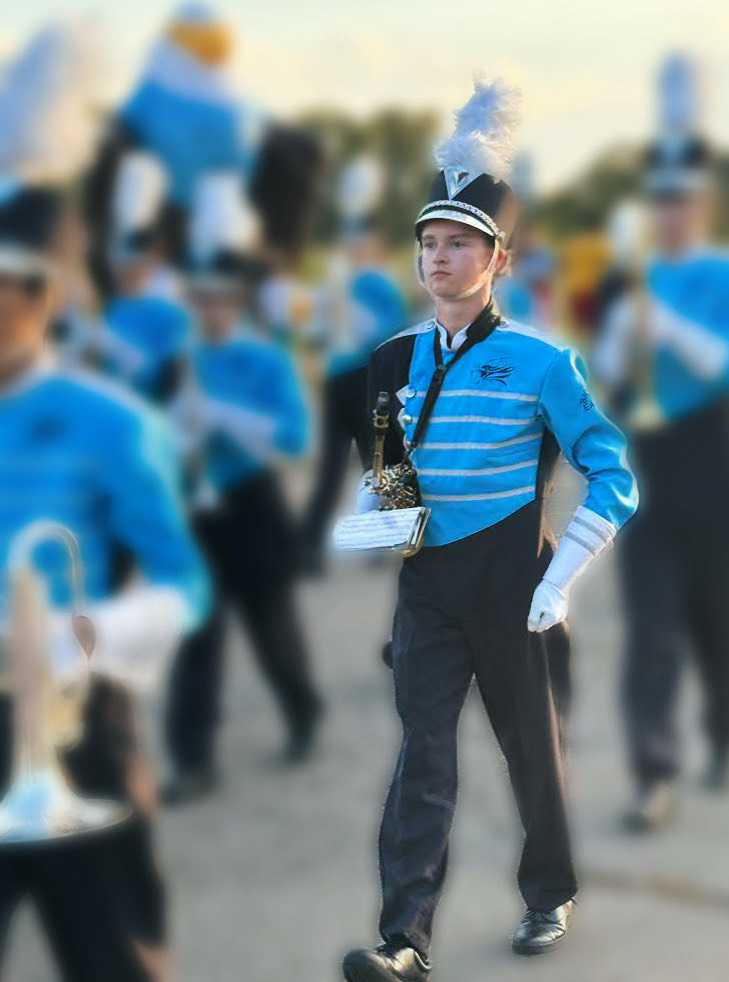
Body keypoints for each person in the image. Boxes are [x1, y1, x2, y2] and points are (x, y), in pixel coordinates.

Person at [342, 78, 638, 981]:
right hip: (427, 585)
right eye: (428, 242)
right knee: (421, 759)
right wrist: (367, 525)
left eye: (459, 243)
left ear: (498, 260)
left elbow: (613, 475)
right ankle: (403, 939)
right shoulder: (389, 359)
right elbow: (390, 479)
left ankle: (548, 890)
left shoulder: (544, 362)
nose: (438, 257)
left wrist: (558, 581)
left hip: (516, 579)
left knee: (528, 750)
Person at [0, 183, 209, 982]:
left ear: (40, 295)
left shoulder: (113, 423)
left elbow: (181, 584)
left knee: (112, 962)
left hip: (71, 727)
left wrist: (71, 636)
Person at [593, 54, 729, 830]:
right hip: (648, 460)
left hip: (712, 455)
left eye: (681, 201)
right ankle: (653, 771)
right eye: (659, 203)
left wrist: (664, 322)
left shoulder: (717, 272)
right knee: (649, 627)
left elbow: (718, 361)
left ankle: (722, 734)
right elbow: (609, 375)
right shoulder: (633, 278)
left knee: (716, 617)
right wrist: (619, 330)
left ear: (701, 204)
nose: (670, 214)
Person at [163, 173, 322, 805]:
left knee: (272, 632)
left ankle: (302, 711)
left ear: (239, 300)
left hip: (253, 507)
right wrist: (174, 434)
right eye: (200, 298)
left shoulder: (268, 360)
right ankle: (192, 759)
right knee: (196, 640)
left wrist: (227, 419)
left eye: (221, 299)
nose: (211, 309)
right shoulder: (179, 359)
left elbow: (296, 439)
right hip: (196, 512)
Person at [300, 156, 408, 573]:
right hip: (361, 379)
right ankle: (379, 540)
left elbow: (319, 331)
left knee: (345, 466)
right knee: (375, 463)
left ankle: (313, 549)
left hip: (344, 378)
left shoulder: (341, 281)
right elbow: (391, 333)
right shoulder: (371, 281)